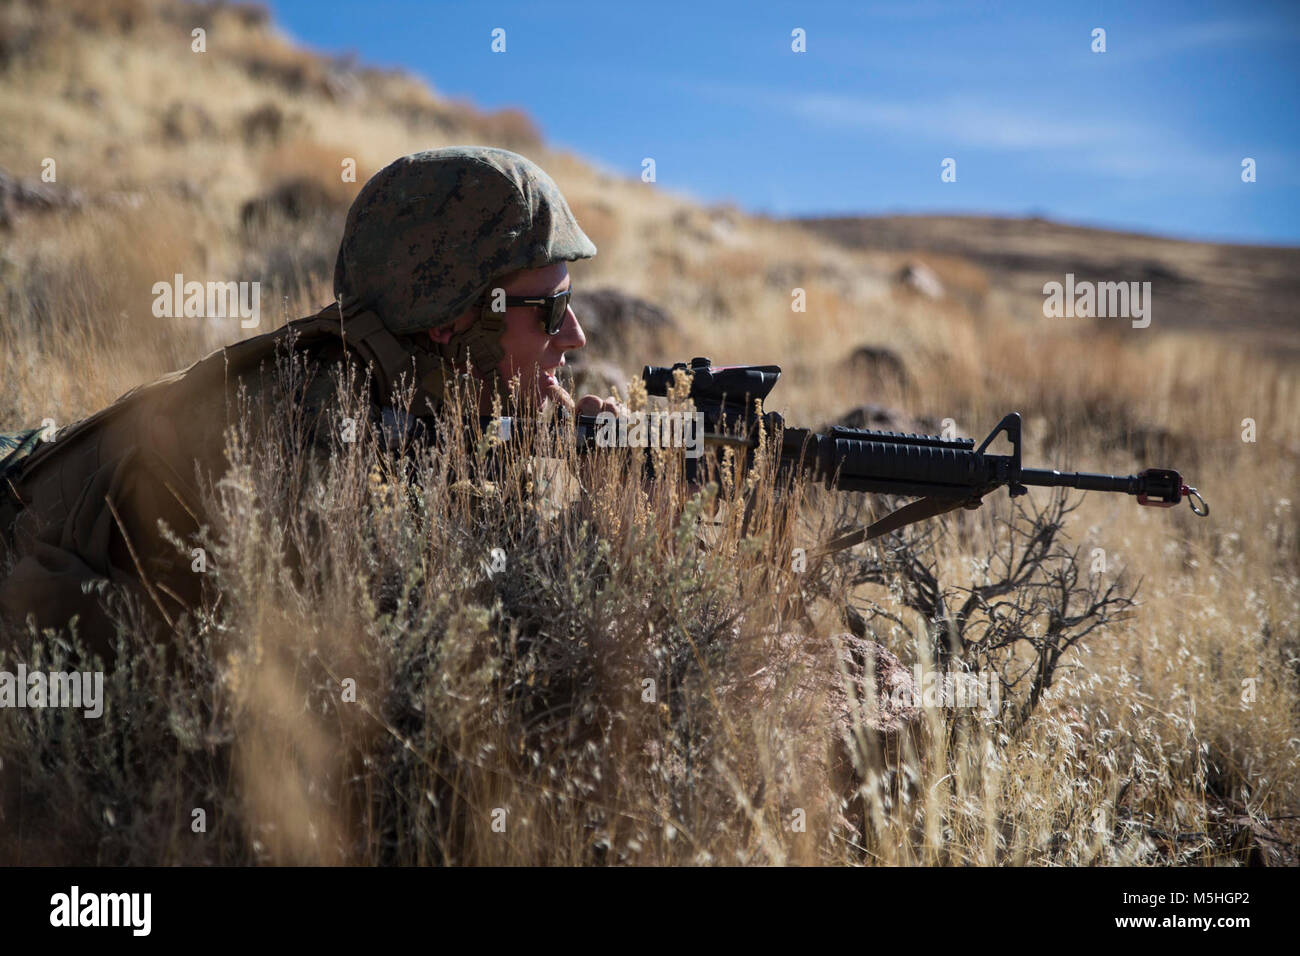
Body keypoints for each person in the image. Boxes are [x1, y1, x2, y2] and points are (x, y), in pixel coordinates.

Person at [0, 146, 624, 659]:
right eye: (550, 310)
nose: (575, 336)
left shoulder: (427, 399)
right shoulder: (308, 428)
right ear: (450, 320)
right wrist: (598, 535)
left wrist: (584, 471)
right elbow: (398, 657)